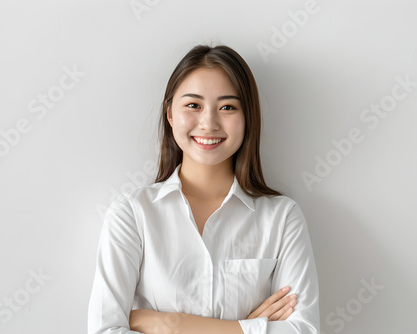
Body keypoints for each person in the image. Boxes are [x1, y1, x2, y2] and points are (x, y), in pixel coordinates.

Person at [87, 44, 320, 334]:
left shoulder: (283, 217)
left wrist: (171, 324)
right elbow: (105, 330)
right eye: (193, 105)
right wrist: (248, 328)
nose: (208, 123)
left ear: (248, 118)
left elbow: (304, 330)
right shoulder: (132, 215)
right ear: (170, 114)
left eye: (227, 107)